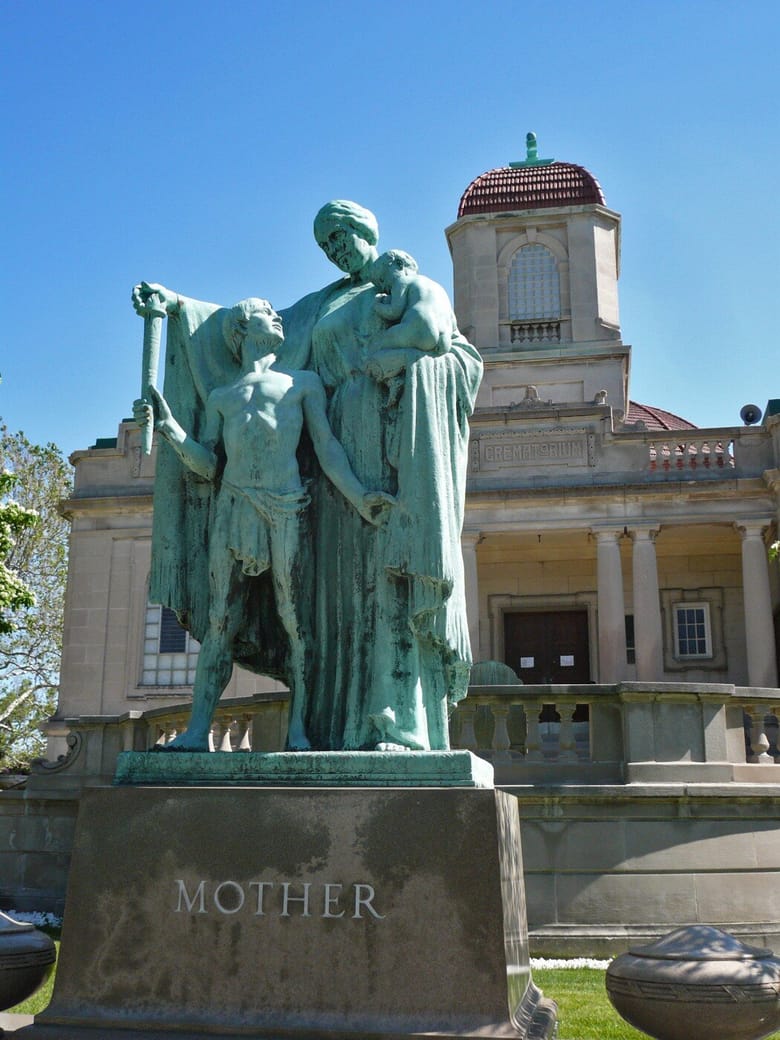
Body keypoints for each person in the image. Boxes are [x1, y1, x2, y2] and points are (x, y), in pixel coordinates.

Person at [132, 199, 482, 753]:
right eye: (325, 243)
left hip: (389, 458)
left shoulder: (408, 286)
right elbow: (242, 331)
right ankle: (329, 729)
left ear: (368, 231)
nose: (335, 248)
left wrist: (407, 371)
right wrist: (176, 306)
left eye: (342, 234)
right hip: (327, 474)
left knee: (387, 590)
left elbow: (455, 353)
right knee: (336, 603)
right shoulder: (316, 307)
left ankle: (399, 726)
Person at [133, 298, 391, 751]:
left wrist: (356, 495)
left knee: (294, 618)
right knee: (220, 621)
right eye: (264, 312)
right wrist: (172, 429)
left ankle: (300, 729)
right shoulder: (222, 397)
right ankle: (196, 732)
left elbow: (327, 448)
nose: (275, 317)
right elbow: (208, 466)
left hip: (285, 506)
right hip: (233, 506)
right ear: (241, 328)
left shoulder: (302, 383)